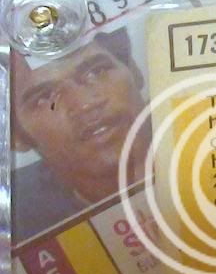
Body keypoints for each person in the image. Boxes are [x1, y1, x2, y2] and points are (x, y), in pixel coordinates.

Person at [12, 28, 150, 242]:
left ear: (134, 72)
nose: (85, 104)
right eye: (44, 98)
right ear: (16, 137)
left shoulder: (213, 127)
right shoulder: (13, 220)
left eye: (96, 71)